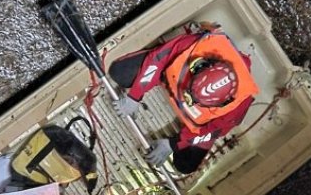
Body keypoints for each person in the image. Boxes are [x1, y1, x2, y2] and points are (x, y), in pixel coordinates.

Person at [108, 23, 260, 174]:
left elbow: (214, 131)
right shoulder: (197, 45)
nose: (189, 100)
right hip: (168, 76)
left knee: (186, 164)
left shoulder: (239, 103)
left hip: (196, 118)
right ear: (202, 65)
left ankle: (179, 139)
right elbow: (157, 60)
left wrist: (173, 144)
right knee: (119, 73)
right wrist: (134, 97)